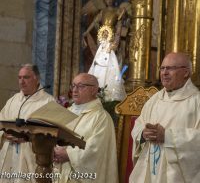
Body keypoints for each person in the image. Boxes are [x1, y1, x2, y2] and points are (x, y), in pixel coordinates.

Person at [129, 52, 200, 183]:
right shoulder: (154, 100)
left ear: (186, 72)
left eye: (171, 68)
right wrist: (143, 134)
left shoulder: (196, 102)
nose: (164, 73)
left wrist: (168, 137)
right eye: (162, 68)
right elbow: (139, 125)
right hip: (150, 170)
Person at [54, 73, 118, 183]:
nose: (74, 90)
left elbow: (96, 150)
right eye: (73, 86)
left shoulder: (101, 118)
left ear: (94, 90)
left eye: (80, 86)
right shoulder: (67, 112)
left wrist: (68, 154)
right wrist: (53, 150)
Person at [0, 64, 55, 183]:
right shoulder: (13, 100)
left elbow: (52, 134)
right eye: (19, 78)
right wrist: (4, 136)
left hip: (31, 157)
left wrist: (28, 137)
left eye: (26, 77)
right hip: (9, 153)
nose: (21, 82)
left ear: (37, 79)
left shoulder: (48, 101)